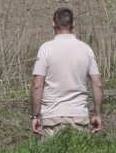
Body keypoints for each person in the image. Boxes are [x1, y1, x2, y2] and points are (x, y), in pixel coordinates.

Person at [31, 8, 104, 137]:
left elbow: (37, 85)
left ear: (53, 24)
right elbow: (97, 84)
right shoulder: (86, 49)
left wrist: (35, 115)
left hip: (51, 117)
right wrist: (97, 114)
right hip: (79, 116)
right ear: (73, 24)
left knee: (51, 150)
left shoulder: (45, 49)